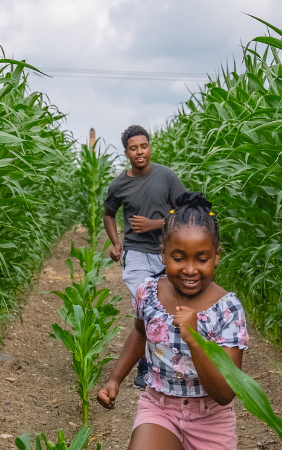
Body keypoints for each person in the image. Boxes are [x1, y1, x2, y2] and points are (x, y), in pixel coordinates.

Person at [96, 192, 248, 450]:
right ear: (163, 255)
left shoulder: (227, 309)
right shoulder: (149, 292)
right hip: (159, 408)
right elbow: (140, 333)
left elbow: (224, 394)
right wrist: (115, 379)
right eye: (179, 258)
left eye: (202, 259)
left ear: (217, 256)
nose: (190, 269)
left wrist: (194, 338)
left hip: (211, 418)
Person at [103, 125, 188, 388]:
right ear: (126, 152)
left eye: (144, 146)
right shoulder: (119, 184)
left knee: (171, 309)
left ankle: (170, 364)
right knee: (147, 309)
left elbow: (185, 212)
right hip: (137, 254)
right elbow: (108, 213)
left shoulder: (166, 176)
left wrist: (155, 224)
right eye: (133, 148)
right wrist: (116, 243)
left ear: (149, 147)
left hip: (166, 254)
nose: (140, 152)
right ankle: (144, 365)